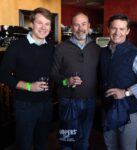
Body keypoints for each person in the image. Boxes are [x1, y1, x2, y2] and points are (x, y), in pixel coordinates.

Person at [0, 7, 54, 150]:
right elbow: (3, 74)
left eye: (47, 24)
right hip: (25, 105)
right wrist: (29, 86)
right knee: (24, 144)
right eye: (40, 23)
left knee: (42, 143)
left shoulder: (50, 46)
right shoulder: (16, 46)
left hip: (46, 104)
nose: (44, 27)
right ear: (31, 24)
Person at [99, 13, 137, 150]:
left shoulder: (136, 55)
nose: (117, 33)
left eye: (122, 29)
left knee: (127, 148)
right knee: (110, 146)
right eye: (114, 28)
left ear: (128, 31)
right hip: (108, 108)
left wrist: (126, 92)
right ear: (108, 29)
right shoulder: (103, 52)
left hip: (128, 112)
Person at [51, 12, 100, 150]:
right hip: (68, 100)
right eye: (76, 24)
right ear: (72, 27)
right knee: (67, 140)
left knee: (84, 139)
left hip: (90, 101)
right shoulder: (61, 48)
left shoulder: (97, 49)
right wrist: (67, 81)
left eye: (83, 24)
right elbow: (53, 74)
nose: (80, 28)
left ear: (89, 26)